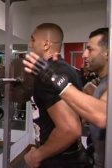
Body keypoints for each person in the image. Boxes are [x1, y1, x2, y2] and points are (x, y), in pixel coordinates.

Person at [23, 27, 109, 168]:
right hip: (87, 155)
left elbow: (73, 128)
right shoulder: (68, 70)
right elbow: (89, 109)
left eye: (90, 49)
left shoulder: (54, 73)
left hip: (60, 159)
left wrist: (37, 155)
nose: (84, 54)